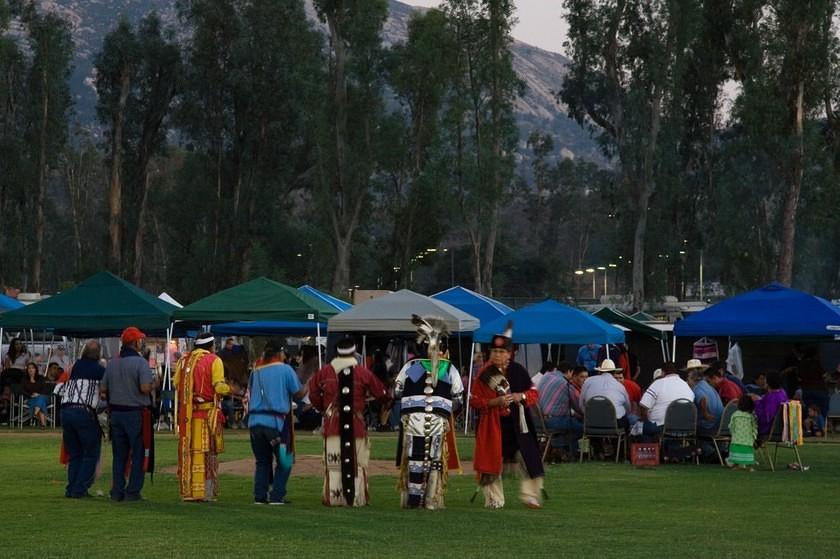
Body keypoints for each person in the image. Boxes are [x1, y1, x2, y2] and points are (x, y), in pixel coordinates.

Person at [309, 337, 389, 507]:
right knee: (358, 463)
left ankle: (334, 497)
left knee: (333, 463)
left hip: (332, 425)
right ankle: (356, 498)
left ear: (336, 352)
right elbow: (382, 393)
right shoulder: (362, 372)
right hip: (356, 425)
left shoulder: (325, 372)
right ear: (354, 353)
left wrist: (324, 409)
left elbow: (313, 394)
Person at [471, 323, 544, 509]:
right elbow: (474, 400)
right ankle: (494, 498)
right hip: (493, 424)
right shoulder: (484, 375)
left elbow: (534, 393)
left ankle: (531, 495)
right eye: (494, 351)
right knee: (490, 460)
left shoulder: (519, 371)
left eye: (502, 351)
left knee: (529, 457)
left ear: (510, 353)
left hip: (519, 424)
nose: (497, 355)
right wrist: (494, 403)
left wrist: (522, 396)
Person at [393, 316, 462, 509]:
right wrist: (444, 408)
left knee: (416, 458)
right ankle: (430, 500)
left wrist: (415, 402)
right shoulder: (448, 368)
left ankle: (415, 500)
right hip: (437, 421)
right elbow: (459, 398)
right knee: (434, 458)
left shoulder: (413, 367)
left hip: (415, 420)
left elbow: (397, 391)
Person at [101, 326, 157, 502]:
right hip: (136, 413)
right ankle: (133, 491)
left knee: (119, 455)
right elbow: (144, 388)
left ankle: (117, 490)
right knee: (139, 453)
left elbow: (103, 389)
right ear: (136, 342)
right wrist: (156, 383)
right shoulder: (140, 363)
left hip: (116, 413)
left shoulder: (112, 363)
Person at [174, 331, 231, 502]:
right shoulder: (214, 360)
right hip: (206, 416)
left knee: (189, 452)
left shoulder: (183, 361)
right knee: (206, 452)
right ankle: (204, 492)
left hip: (188, 417)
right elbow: (219, 386)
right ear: (211, 345)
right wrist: (230, 389)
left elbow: (177, 384)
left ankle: (190, 491)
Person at [247, 340, 304, 505]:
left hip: (255, 422)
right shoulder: (285, 369)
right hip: (275, 422)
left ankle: (260, 496)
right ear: (280, 353)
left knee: (262, 461)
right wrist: (309, 384)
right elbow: (298, 395)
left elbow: (251, 390)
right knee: (285, 460)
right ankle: (277, 496)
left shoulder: (256, 370)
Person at [57, 340, 105, 498]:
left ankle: (71, 488)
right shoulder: (100, 370)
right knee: (90, 453)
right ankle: (80, 489)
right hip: (84, 412)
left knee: (75, 453)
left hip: (66, 411)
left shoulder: (71, 367)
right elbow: (105, 392)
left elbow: (58, 389)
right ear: (98, 354)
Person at [639, 362, 694, 439]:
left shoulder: (658, 383)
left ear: (663, 372)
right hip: (685, 427)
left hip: (661, 427)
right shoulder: (686, 386)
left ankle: (652, 449)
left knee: (638, 428)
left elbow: (643, 406)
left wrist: (646, 421)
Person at [538, 361, 582, 455]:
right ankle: (556, 445)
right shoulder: (565, 383)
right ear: (570, 372)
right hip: (554, 421)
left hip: (538, 420)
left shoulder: (546, 376)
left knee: (572, 423)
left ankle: (563, 451)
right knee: (582, 428)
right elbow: (578, 406)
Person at [580, 359, 636, 429]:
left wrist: (587, 415)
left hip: (591, 423)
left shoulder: (588, 381)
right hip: (615, 424)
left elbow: (581, 404)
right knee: (632, 419)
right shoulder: (620, 386)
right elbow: (628, 408)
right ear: (614, 372)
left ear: (599, 371)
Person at [685, 360, 724, 435]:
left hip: (709, 426)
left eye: (688, 378)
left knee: (687, 427)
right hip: (719, 424)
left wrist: (705, 414)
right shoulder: (706, 385)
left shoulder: (697, 388)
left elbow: (703, 398)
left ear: (691, 378)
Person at [753, 371, 789, 437]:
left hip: (769, 429)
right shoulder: (782, 393)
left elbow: (765, 418)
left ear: (769, 383)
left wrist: (756, 402)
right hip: (779, 428)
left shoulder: (772, 398)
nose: (764, 381)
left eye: (765, 379)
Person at [726, 394, 758, 470]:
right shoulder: (751, 416)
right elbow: (754, 427)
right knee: (747, 452)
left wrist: (733, 433)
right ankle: (749, 466)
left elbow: (731, 426)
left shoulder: (735, 415)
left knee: (736, 452)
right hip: (748, 440)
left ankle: (736, 464)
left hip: (736, 439)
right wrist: (754, 436)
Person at [23, 362, 49, 428]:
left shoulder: (41, 378)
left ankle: (34, 413)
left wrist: (38, 394)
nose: (31, 370)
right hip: (31, 398)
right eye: (29, 368)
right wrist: (30, 396)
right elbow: (22, 391)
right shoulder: (24, 379)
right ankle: (43, 424)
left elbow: (45, 389)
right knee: (40, 403)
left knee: (40, 398)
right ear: (27, 370)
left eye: (32, 368)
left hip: (44, 397)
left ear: (36, 369)